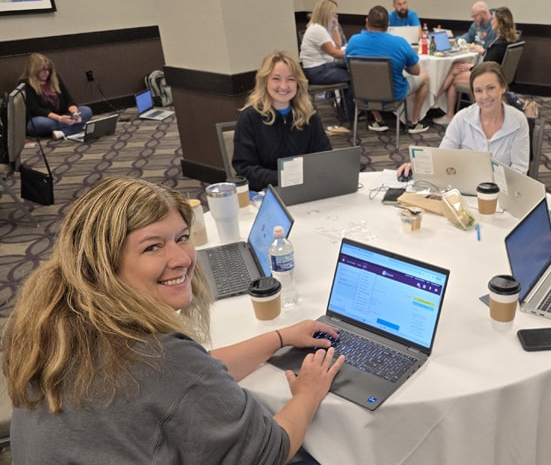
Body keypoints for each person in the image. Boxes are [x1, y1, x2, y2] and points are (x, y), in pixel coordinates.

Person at [2, 176, 346, 463]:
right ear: (105, 264)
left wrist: (280, 337)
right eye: (153, 247)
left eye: (182, 237)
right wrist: (309, 393)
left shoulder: (60, 320)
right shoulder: (159, 357)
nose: (182, 258)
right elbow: (271, 450)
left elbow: (189, 376)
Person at [397, 61, 529, 177]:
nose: (485, 96)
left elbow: (519, 170)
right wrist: (417, 167)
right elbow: (443, 156)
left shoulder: (518, 121)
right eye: (478, 90)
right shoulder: (462, 118)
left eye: (491, 88)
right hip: (464, 189)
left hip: (501, 193)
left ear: (503, 87)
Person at [233, 51, 332, 191]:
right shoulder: (250, 118)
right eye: (276, 78)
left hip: (306, 191)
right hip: (265, 193)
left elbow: (324, 158)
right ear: (265, 80)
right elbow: (245, 170)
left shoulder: (309, 116)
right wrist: (286, 178)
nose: (284, 86)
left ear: (298, 83)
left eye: (291, 79)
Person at [345, 5, 430, 134]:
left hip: (363, 95)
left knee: (367, 78)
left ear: (367, 21)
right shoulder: (400, 43)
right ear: (388, 24)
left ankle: (378, 120)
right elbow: (416, 71)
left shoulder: (353, 41)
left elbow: (351, 68)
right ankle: (414, 122)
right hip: (394, 95)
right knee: (424, 77)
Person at [433, 6, 518, 126]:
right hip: (499, 77)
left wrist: (470, 67)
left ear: (499, 22)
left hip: (489, 78)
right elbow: (491, 60)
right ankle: (437, 97)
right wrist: (478, 56)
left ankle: (444, 108)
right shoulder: (508, 40)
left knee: (454, 76)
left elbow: (487, 67)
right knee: (456, 67)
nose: (491, 21)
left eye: (494, 19)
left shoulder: (498, 45)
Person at [300, 0, 354, 121]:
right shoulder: (317, 30)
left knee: (350, 73)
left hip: (322, 67)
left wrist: (335, 27)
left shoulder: (321, 28)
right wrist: (354, 52)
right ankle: (347, 114)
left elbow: (338, 46)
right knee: (353, 78)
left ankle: (345, 111)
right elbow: (334, 53)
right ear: (327, 13)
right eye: (334, 14)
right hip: (318, 71)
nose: (336, 16)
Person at [19, 53, 93, 139]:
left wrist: (75, 114)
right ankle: (75, 128)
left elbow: (69, 100)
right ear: (33, 71)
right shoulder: (25, 84)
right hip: (42, 118)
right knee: (41, 123)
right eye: (42, 70)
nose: (46, 73)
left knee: (86, 111)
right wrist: (60, 118)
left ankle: (62, 132)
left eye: (48, 70)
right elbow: (35, 109)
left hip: (62, 115)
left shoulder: (54, 78)